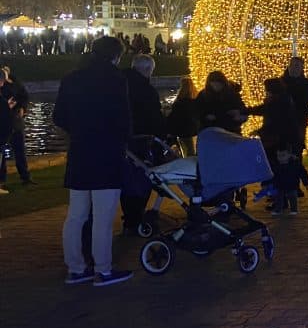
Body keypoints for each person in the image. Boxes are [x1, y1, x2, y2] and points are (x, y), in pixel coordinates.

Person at [53, 35, 133, 287]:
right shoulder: (115, 79)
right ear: (115, 55)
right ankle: (103, 268)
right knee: (102, 216)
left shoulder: (72, 78)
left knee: (76, 215)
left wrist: (78, 130)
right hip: (107, 153)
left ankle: (75, 267)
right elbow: (123, 118)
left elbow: (59, 116)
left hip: (80, 152)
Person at [120, 54, 165, 235]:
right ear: (147, 70)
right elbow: (155, 119)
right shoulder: (147, 91)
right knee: (143, 179)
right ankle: (136, 216)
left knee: (127, 181)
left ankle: (129, 216)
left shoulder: (120, 84)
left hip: (124, 140)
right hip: (143, 141)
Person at [248, 77, 302, 216]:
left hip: (278, 141)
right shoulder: (282, 100)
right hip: (281, 139)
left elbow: (273, 121)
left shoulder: (278, 102)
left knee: (276, 170)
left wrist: (259, 130)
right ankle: (281, 200)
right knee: (277, 171)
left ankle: (281, 200)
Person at [282, 56, 308, 155]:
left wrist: (306, 114)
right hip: (282, 122)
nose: (294, 68)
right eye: (292, 65)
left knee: (297, 149)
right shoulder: (280, 83)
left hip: (299, 121)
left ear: (302, 68)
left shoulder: (307, 84)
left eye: (297, 66)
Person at [0, 66, 30, 188]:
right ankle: (2, 180)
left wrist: (22, 107)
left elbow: (23, 95)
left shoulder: (14, 84)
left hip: (14, 121)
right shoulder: (7, 86)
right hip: (5, 122)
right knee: (2, 152)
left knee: (19, 150)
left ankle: (25, 176)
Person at [166, 76, 200, 156]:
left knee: (185, 153)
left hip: (181, 133)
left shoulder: (178, 103)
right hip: (194, 132)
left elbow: (173, 118)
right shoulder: (196, 102)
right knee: (193, 153)